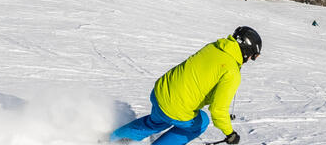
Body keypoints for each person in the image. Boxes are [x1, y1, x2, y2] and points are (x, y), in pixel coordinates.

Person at [110, 27, 260, 145]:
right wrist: (230, 134)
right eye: (253, 56)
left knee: (156, 122)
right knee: (201, 122)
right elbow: (218, 110)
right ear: (246, 51)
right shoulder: (231, 72)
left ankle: (110, 140)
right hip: (176, 107)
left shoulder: (214, 47)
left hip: (160, 92)